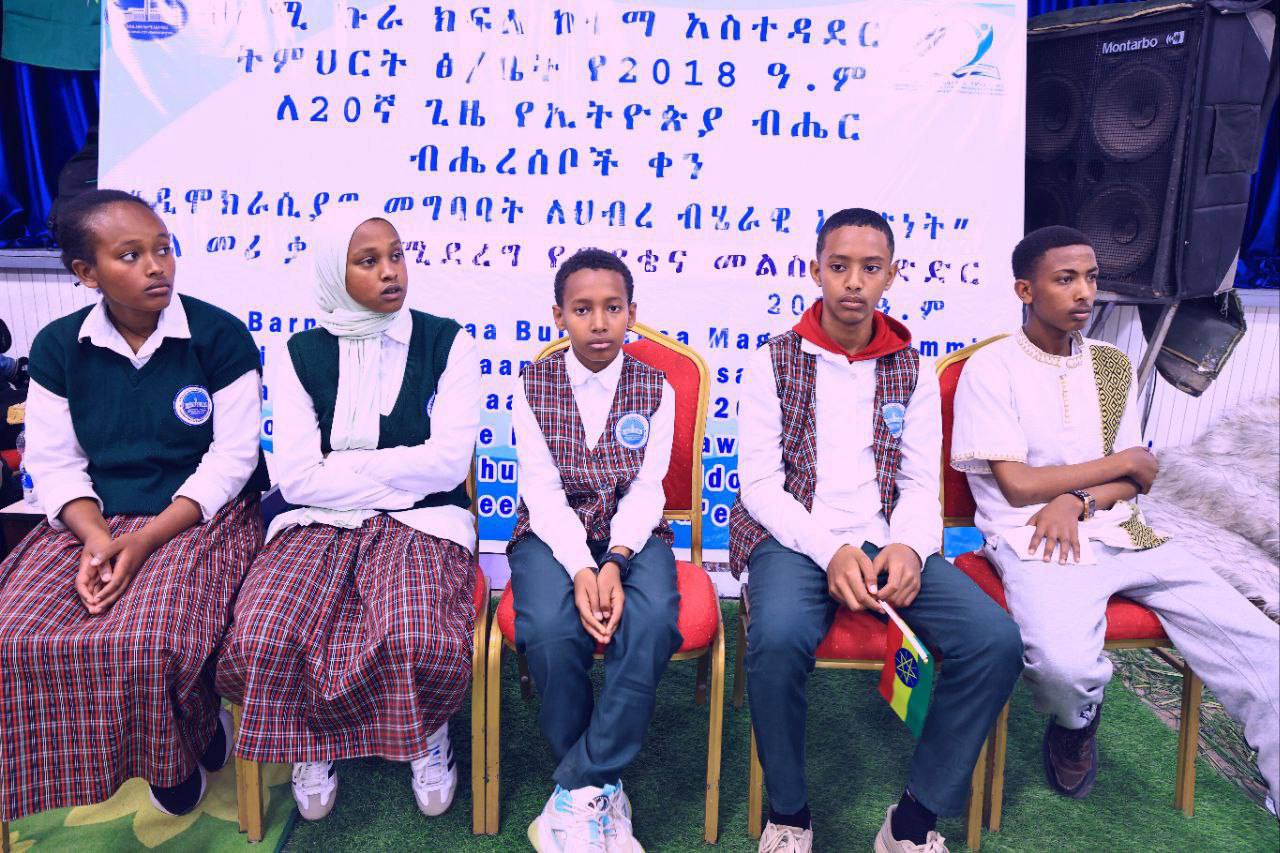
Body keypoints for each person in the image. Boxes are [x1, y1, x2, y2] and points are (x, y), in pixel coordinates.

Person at [951, 224, 1280, 809]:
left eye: (1091, 278)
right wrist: (1115, 466)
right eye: (1065, 279)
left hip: (1125, 533)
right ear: (1025, 290)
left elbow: (1138, 478)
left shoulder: (1110, 366)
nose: (1084, 292)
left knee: (1263, 647)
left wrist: (1079, 499)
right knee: (1062, 669)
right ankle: (1076, 722)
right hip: (1035, 543)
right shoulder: (992, 368)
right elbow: (1018, 485)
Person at [730, 208, 1024, 853]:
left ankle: (912, 825)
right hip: (794, 538)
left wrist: (911, 547)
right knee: (777, 638)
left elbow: (919, 482)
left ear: (892, 275)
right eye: (839, 267)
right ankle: (789, 816)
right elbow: (761, 486)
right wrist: (830, 549)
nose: (854, 282)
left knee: (994, 641)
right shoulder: (772, 361)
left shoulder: (913, 369)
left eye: (870, 268)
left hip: (887, 537)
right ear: (815, 271)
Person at [0, 188, 267, 819]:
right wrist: (97, 539)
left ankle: (178, 754)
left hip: (199, 515)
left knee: (148, 636)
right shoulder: (60, 347)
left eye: (163, 249)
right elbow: (54, 462)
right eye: (130, 255)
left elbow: (232, 460)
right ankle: (79, 761)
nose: (156, 267)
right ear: (86, 273)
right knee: (14, 634)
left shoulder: (217, 336)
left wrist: (144, 540)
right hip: (90, 517)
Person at [214, 211, 480, 821]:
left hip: (424, 522)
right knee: (266, 630)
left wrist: (345, 466)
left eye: (397, 255)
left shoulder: (448, 342)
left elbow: (446, 467)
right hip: (315, 521)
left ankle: (426, 733)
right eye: (368, 261)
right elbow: (297, 478)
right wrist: (396, 469)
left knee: (412, 630)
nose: (391, 272)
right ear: (336, 272)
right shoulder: (298, 354)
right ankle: (309, 742)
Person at [509, 248, 680, 852]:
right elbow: (542, 493)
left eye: (613, 308)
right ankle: (597, 792)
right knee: (551, 630)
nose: (599, 323)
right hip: (551, 533)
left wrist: (616, 559)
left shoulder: (656, 387)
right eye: (582, 310)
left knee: (653, 620)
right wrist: (583, 566)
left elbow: (648, 488)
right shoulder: (532, 386)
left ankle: (580, 790)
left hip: (633, 532)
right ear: (559, 316)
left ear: (632, 312)